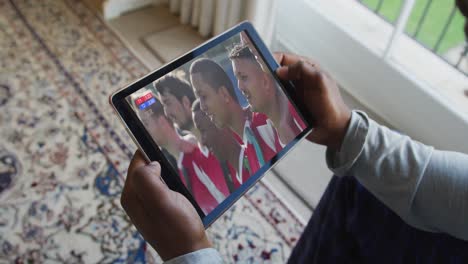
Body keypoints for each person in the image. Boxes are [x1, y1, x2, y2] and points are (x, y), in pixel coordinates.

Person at [122, 50, 468, 263]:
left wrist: (191, 255)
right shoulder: (235, 145)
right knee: (356, 186)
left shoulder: (256, 129)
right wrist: (347, 131)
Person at [189, 58, 263, 184]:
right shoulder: (248, 147)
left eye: (204, 96)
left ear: (223, 94)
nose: (202, 106)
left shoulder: (264, 121)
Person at [229, 43, 307, 159]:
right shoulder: (275, 130)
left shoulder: (300, 117)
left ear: (265, 81)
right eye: (237, 79)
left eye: (244, 77)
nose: (239, 87)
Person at [192, 99, 250, 190]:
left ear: (217, 123)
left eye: (203, 130)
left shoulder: (254, 162)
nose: (203, 142)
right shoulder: (236, 176)